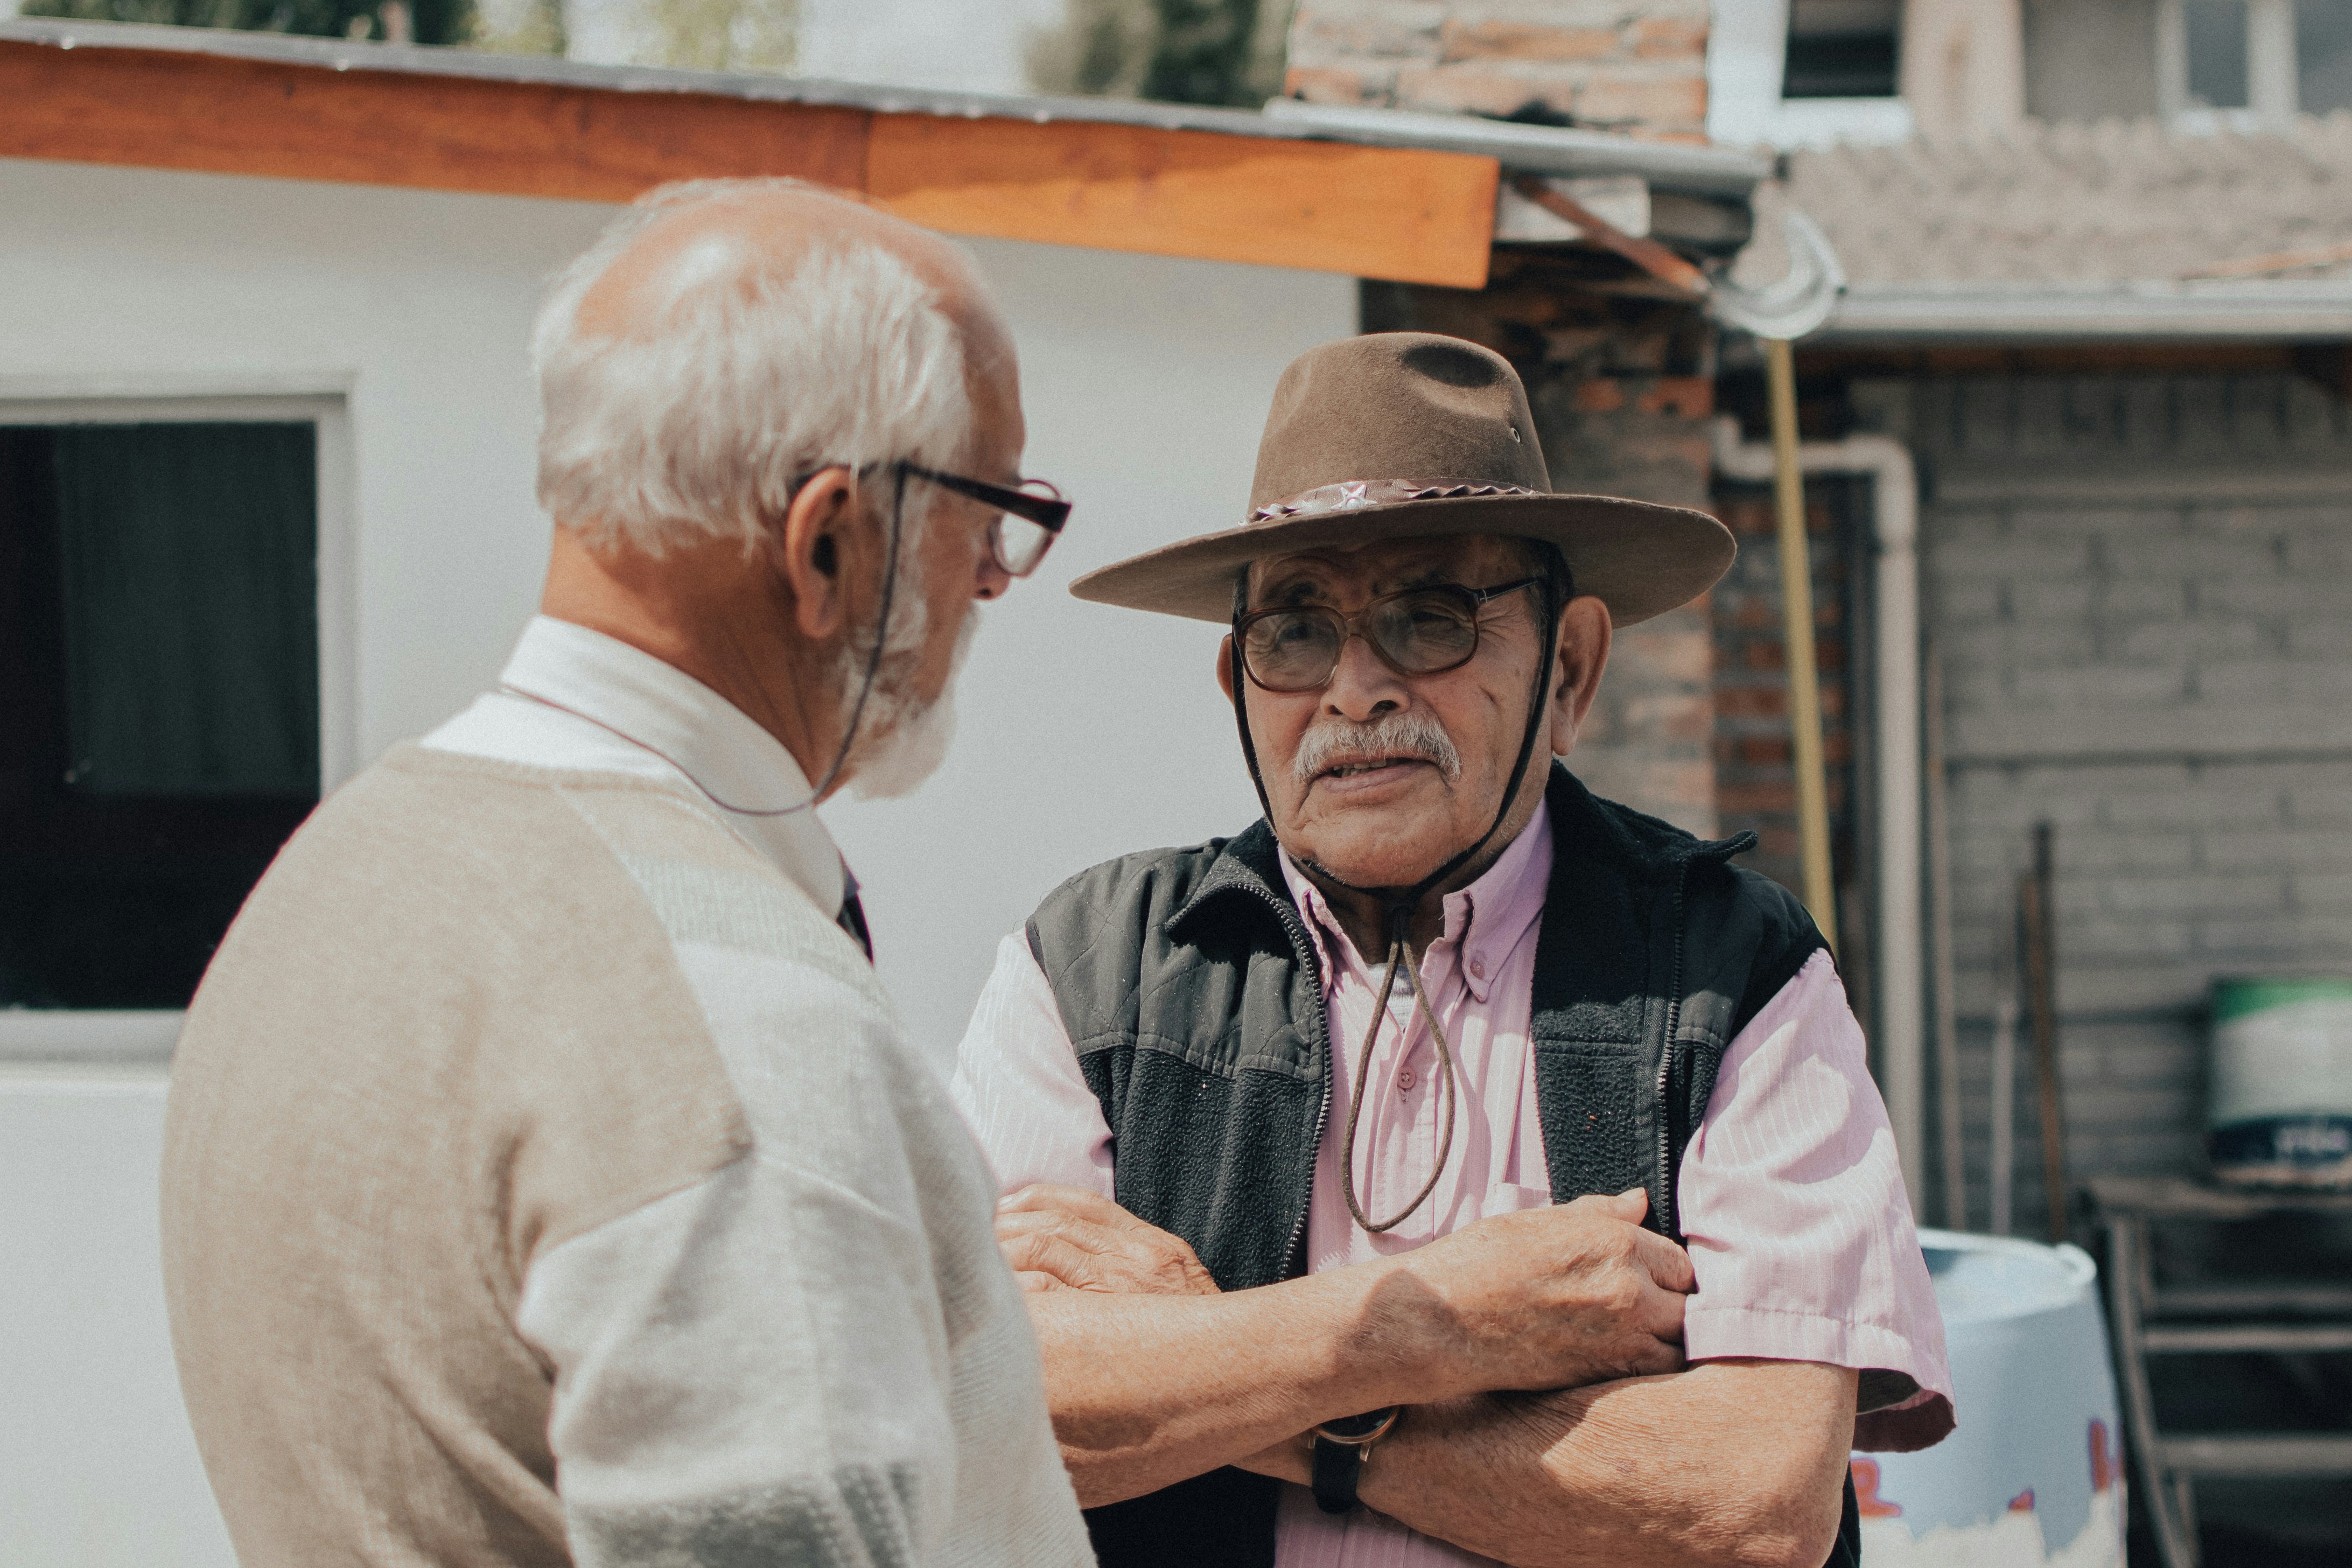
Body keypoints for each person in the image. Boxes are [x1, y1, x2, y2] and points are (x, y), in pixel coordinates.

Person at [161, 179, 1093, 1568]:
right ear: (828, 542)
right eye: (989, 510)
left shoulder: (333, 874)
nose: (997, 579)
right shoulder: (742, 1029)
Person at [951, 332, 1954, 1568]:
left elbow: (1753, 1505)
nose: (1354, 689)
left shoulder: (1733, 971)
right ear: (1237, 682)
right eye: (1295, 631)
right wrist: (1434, 1327)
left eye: (1428, 618)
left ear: (1569, 668)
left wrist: (1224, 1371)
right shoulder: (1092, 972)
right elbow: (978, 1408)